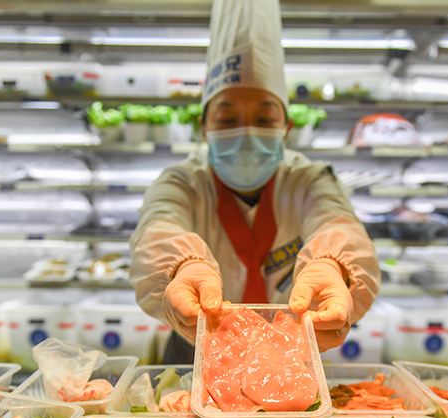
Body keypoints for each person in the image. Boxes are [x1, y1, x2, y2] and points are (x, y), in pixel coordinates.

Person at [129, 0, 380, 363]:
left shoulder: (309, 181)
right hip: (195, 343)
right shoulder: (183, 182)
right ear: (204, 128)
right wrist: (183, 267)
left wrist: (331, 265)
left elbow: (337, 223)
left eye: (264, 120)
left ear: (286, 128)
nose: (246, 133)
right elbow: (158, 228)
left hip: (290, 347)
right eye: (227, 120)